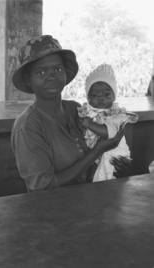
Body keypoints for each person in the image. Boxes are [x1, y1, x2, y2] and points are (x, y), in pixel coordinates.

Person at [11, 35, 131, 192]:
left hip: (91, 201)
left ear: (65, 73)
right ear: (28, 80)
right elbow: (43, 185)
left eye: (58, 69)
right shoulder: (28, 126)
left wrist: (117, 166)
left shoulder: (77, 110)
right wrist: (98, 151)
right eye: (41, 72)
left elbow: (100, 148)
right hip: (54, 211)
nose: (52, 77)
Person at [77, 64, 138, 182]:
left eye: (106, 94)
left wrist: (89, 124)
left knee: (103, 175)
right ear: (87, 98)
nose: (100, 98)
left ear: (114, 97)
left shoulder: (116, 115)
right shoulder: (87, 112)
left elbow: (110, 133)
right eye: (94, 95)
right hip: (95, 153)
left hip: (112, 151)